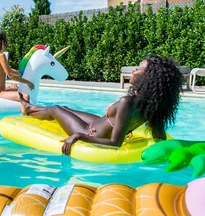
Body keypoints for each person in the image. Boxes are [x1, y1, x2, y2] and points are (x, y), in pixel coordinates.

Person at [19, 55, 183, 155]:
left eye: (138, 69)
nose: (133, 70)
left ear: (147, 79)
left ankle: (28, 110)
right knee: (66, 108)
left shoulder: (128, 102)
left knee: (56, 109)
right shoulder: (151, 106)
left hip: (89, 131)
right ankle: (30, 107)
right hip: (99, 122)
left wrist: (80, 136)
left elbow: (115, 143)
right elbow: (159, 138)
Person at [0, 30, 34, 101]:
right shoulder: (1, 55)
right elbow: (10, 75)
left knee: (15, 87)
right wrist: (28, 82)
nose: (5, 42)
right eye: (4, 40)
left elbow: (6, 69)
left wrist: (18, 72)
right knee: (26, 97)